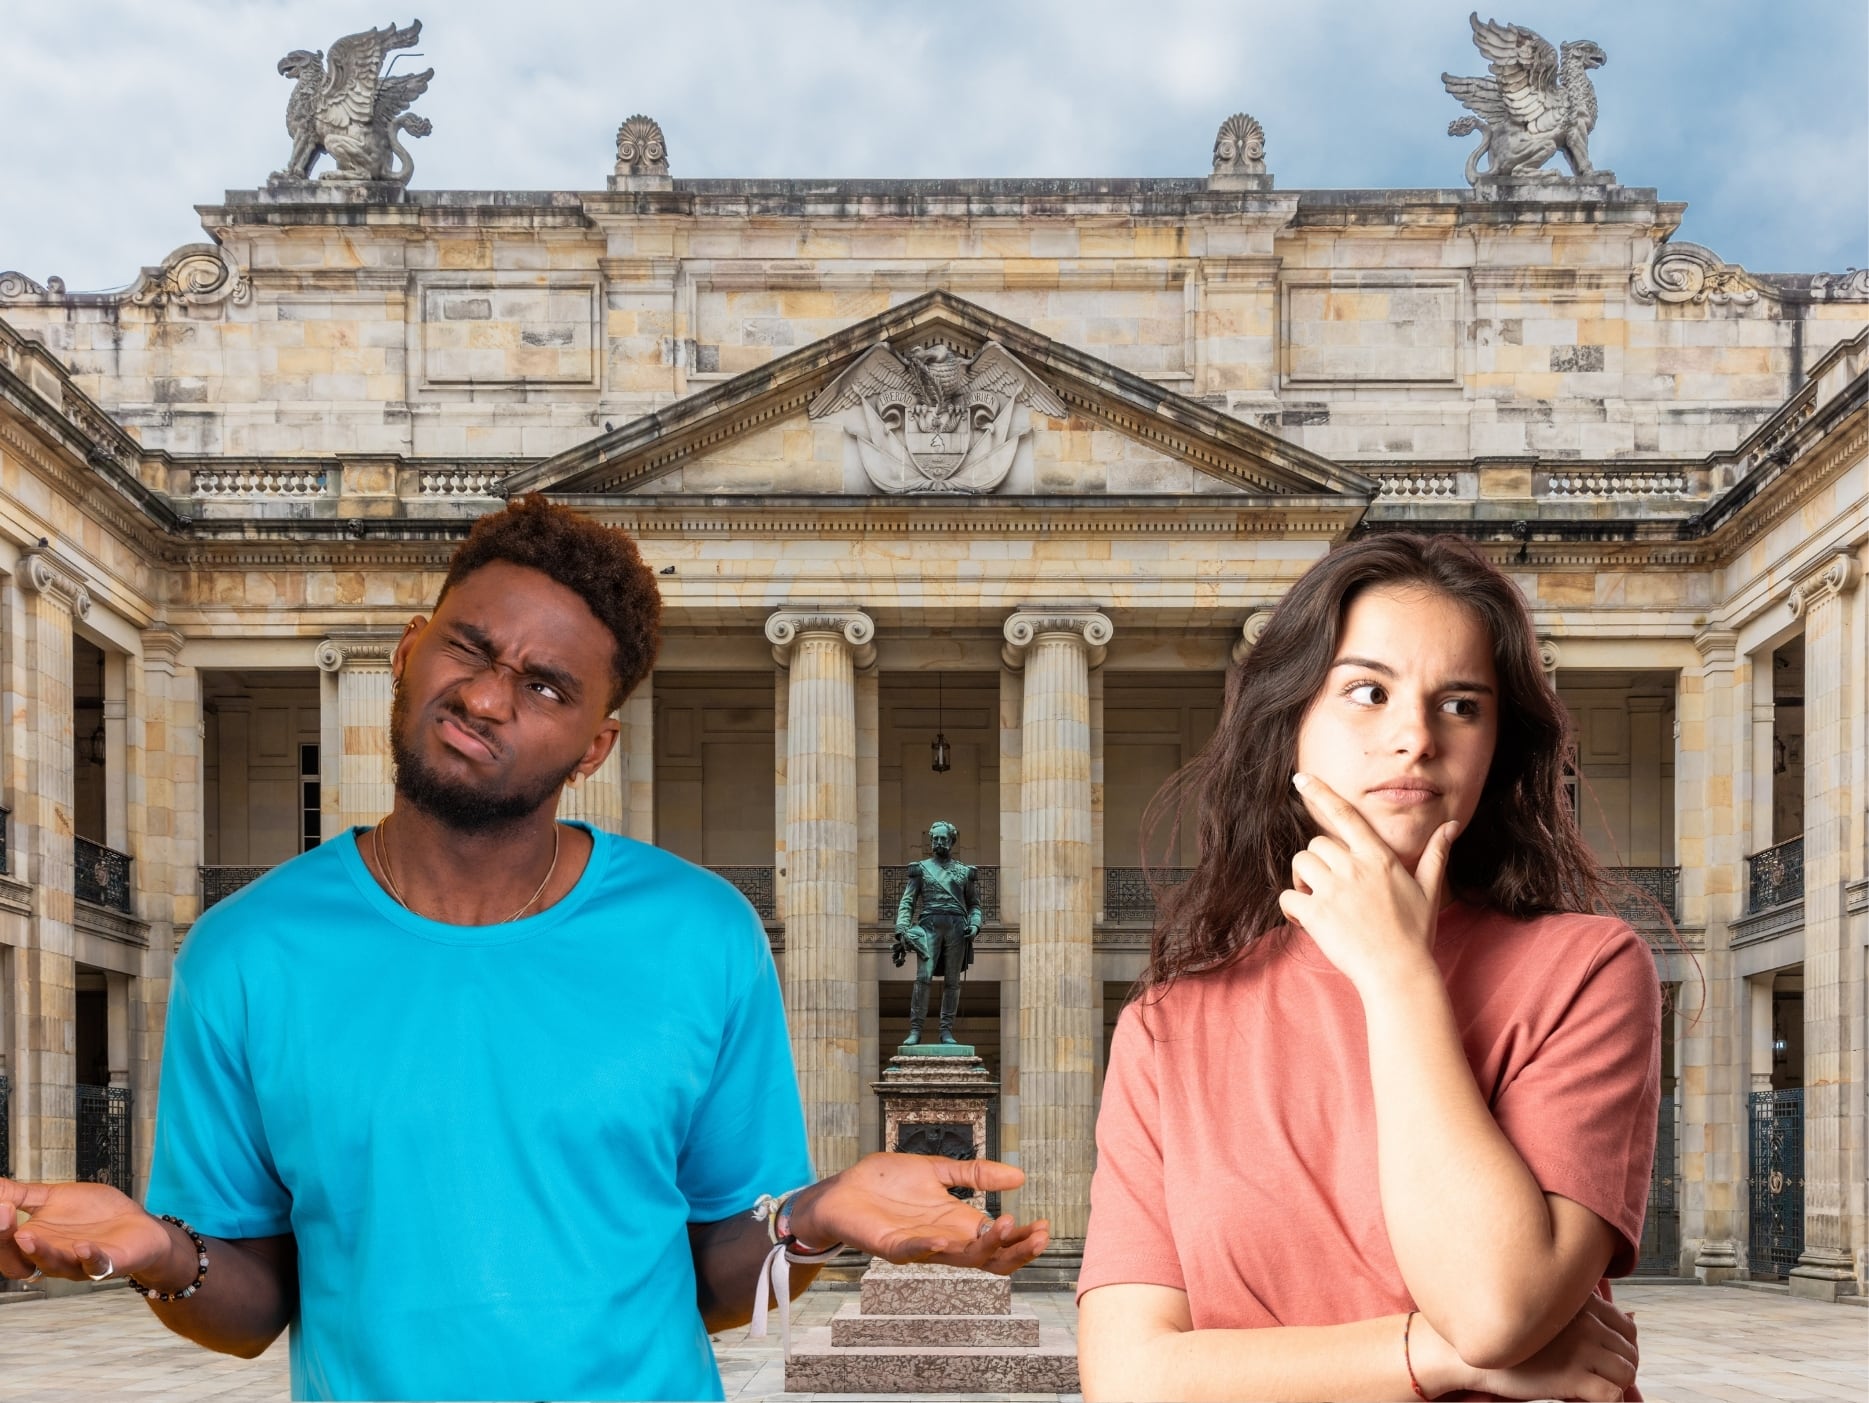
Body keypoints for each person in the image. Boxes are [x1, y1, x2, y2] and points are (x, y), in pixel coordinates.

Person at [0, 495, 1047, 1402]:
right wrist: (151, 1250)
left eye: (547, 685)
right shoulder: (245, 951)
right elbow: (253, 1301)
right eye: (471, 647)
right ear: (411, 650)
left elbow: (715, 1278)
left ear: (596, 745)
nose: (490, 696)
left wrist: (813, 1216)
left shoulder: (699, 933)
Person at [1076, 533, 1660, 1403]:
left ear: (1497, 743)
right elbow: (1128, 1378)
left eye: (1461, 704)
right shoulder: (1168, 1026)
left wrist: (1397, 975)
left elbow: (1495, 1306)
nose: (1413, 737)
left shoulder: (1585, 969)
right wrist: (1434, 1355)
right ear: (1291, 723)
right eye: (1366, 691)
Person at [892, 820, 983, 1045]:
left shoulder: (964, 872)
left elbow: (974, 905)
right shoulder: (920, 869)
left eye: (943, 839)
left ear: (952, 842)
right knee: (923, 978)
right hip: (929, 925)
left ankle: (946, 1031)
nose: (939, 842)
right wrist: (902, 927)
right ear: (931, 841)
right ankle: (915, 1029)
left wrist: (975, 924)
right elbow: (907, 902)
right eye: (935, 839)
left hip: (957, 927)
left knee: (952, 982)